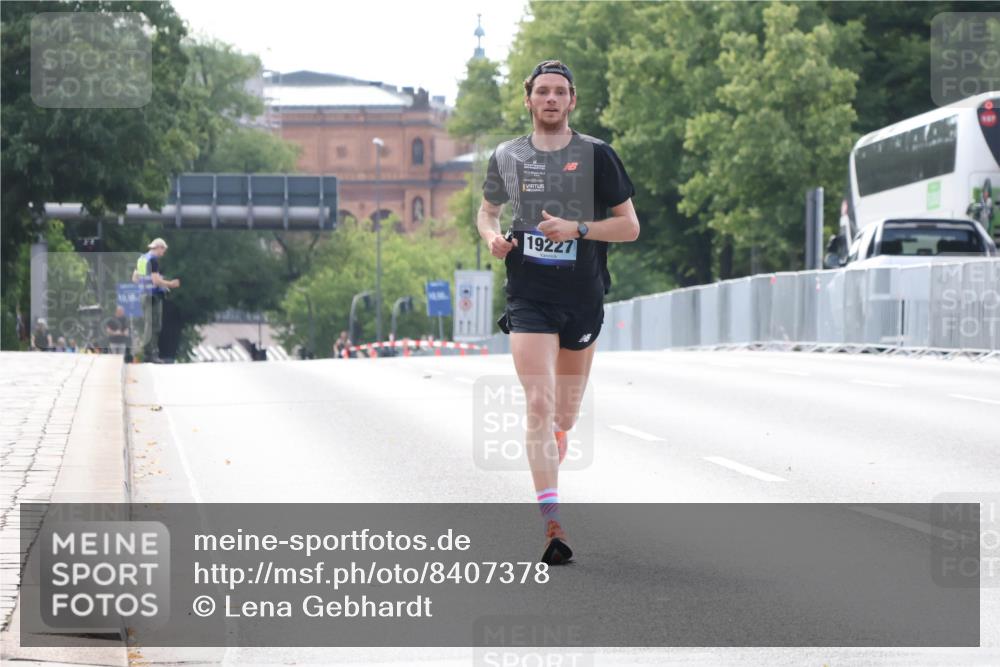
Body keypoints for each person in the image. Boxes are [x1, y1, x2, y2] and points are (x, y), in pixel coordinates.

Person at [478, 60, 639, 565]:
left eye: (560, 92)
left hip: (582, 297)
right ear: (528, 100)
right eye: (542, 91)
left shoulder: (597, 155)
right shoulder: (508, 155)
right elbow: (487, 210)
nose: (551, 99)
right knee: (539, 404)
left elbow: (630, 227)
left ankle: (560, 437)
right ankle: (552, 523)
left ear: (571, 102)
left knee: (563, 414)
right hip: (528, 296)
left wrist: (579, 230)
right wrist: (492, 238)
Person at [133, 238, 180, 362]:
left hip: (143, 294)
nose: (163, 253)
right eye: (163, 250)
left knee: (148, 324)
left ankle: (148, 353)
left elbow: (135, 278)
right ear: (158, 247)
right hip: (153, 296)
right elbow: (155, 281)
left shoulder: (142, 259)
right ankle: (152, 354)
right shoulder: (153, 260)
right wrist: (170, 284)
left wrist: (147, 283)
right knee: (155, 325)